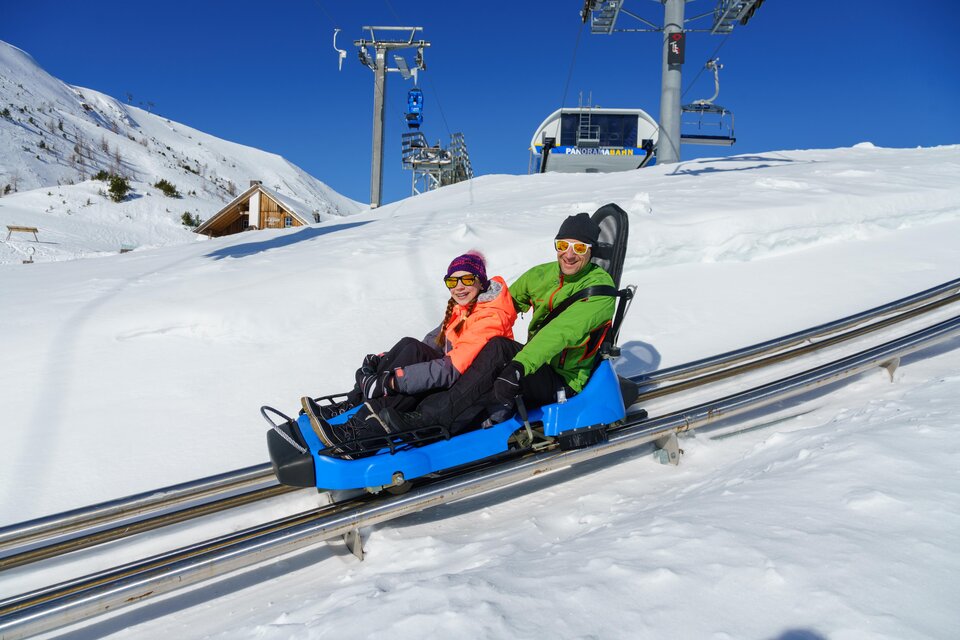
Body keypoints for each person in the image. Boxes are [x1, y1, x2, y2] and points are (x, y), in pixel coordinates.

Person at [379, 212, 616, 433]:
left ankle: (433, 418)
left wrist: (518, 366)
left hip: (562, 379)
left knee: (500, 348)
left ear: (591, 250)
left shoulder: (599, 292)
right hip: (536, 364)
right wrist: (468, 334)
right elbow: (502, 304)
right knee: (486, 344)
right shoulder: (544, 275)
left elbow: (558, 333)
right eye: (563, 245)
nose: (569, 254)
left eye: (580, 247)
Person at [300, 251, 517, 458]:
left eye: (467, 280)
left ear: (481, 281)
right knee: (410, 347)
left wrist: (391, 381)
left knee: (407, 381)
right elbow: (427, 348)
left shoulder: (490, 317)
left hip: (470, 395)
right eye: (452, 281)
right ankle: (354, 404)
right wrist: (382, 361)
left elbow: (450, 370)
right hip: (456, 380)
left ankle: (358, 435)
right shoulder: (464, 309)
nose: (459, 287)